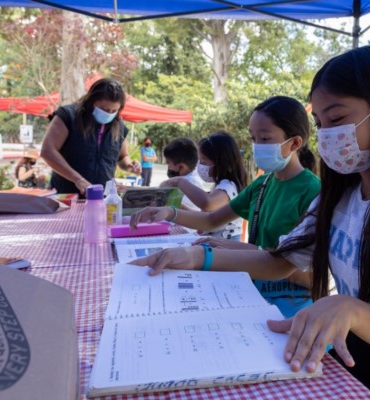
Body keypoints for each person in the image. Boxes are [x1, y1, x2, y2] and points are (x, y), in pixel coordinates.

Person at [132, 47, 370, 399]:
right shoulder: (338, 198)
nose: (328, 136)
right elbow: (280, 261)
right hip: (353, 363)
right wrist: (197, 258)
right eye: (320, 123)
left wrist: (353, 311)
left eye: (336, 119)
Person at [130, 95, 321, 318]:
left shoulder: (313, 192)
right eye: (253, 138)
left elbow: (304, 273)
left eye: (265, 139)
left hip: (292, 310)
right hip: (252, 296)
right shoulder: (263, 184)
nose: (257, 146)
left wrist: (238, 251)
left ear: (295, 143)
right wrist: (169, 213)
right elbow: (211, 220)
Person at [41, 78, 142, 197]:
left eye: (113, 110)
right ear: (91, 102)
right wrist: (78, 179)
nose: (109, 113)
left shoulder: (118, 126)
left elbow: (122, 157)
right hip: (67, 196)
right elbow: (48, 151)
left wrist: (129, 165)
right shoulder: (68, 116)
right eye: (104, 109)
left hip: (102, 198)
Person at [160, 131, 248, 240]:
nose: (200, 166)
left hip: (226, 246)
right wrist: (176, 206)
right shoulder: (219, 186)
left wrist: (179, 182)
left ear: (220, 161)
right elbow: (205, 220)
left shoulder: (228, 186)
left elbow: (207, 203)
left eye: (203, 161)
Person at [160, 137, 206, 211]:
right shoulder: (194, 175)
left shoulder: (189, 183)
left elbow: (188, 211)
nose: (168, 165)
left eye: (168, 162)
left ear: (181, 166)